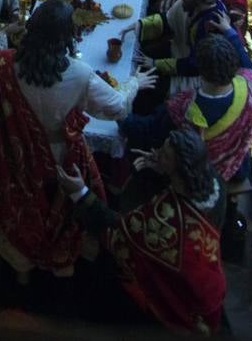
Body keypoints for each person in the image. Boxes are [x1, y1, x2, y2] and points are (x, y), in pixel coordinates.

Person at [0, 0, 157, 284]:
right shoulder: (79, 74)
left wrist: (6, 30)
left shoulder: (4, 63)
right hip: (60, 158)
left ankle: (21, 271)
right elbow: (118, 108)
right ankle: (58, 266)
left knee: (22, 208)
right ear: (68, 35)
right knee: (61, 211)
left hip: (16, 154)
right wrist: (134, 84)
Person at [57, 129, 227, 334]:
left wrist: (80, 193)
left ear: (180, 168)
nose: (156, 154)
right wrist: (162, 166)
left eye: (164, 155)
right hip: (207, 277)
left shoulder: (165, 221)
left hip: (179, 296)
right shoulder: (215, 184)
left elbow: (119, 232)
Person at [121, 33, 252, 181]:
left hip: (197, 170)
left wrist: (124, 102)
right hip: (234, 160)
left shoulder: (186, 110)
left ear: (201, 71)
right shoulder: (249, 81)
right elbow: (251, 68)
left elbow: (146, 129)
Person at [133, 0, 252, 94]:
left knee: (147, 91)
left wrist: (155, 64)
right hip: (179, 51)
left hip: (195, 77)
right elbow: (169, 19)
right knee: (139, 56)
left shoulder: (212, 26)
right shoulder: (189, 3)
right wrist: (141, 25)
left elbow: (195, 65)